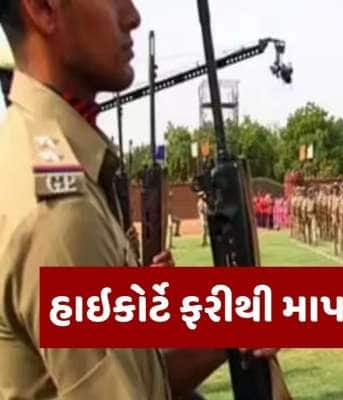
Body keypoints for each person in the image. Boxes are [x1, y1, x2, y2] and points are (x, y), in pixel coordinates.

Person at [0, 1, 280, 398]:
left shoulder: (47, 159)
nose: (132, 16)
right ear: (44, 8)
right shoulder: (60, 211)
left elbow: (140, 381)